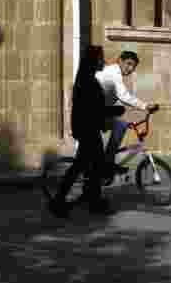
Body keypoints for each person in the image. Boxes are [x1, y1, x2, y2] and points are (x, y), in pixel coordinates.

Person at [49, 45, 125, 218]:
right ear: (93, 60)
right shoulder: (88, 81)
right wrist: (114, 111)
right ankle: (63, 201)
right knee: (85, 166)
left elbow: (92, 108)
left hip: (88, 130)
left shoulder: (87, 78)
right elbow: (93, 109)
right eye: (100, 58)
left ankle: (89, 199)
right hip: (88, 131)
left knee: (88, 167)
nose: (103, 61)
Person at [95, 50, 158, 175]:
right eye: (128, 64)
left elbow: (114, 100)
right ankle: (108, 163)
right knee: (121, 125)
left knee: (120, 124)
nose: (130, 69)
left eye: (133, 67)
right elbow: (123, 96)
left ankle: (106, 163)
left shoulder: (112, 73)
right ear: (120, 61)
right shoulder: (113, 72)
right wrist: (145, 106)